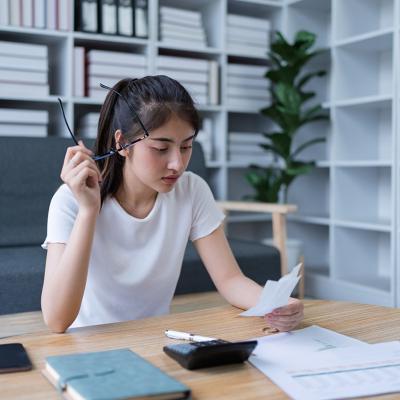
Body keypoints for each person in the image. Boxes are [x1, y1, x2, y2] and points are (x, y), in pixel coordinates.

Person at [41, 75, 304, 333]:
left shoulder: (191, 190)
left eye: (186, 146)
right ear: (122, 143)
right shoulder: (69, 201)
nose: (177, 164)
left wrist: (277, 303)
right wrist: (88, 211)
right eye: (160, 148)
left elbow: (230, 279)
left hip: (157, 340)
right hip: (89, 345)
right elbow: (57, 320)